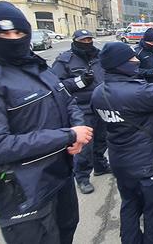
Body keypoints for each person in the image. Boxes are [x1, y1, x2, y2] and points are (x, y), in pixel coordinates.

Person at [0, 1, 92, 243]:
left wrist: (78, 135)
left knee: (66, 230)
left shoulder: (35, 65)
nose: (13, 39)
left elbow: (66, 100)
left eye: (19, 32)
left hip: (59, 174)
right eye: (3, 34)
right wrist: (67, 136)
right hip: (22, 187)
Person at [91, 41, 153, 244]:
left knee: (130, 204)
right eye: (132, 58)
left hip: (119, 160)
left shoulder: (99, 92)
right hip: (145, 165)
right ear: (120, 64)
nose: (137, 60)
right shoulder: (138, 93)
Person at [52, 29, 111, 194]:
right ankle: (83, 177)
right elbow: (56, 85)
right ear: (75, 41)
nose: (87, 43)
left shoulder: (100, 56)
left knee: (102, 139)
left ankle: (100, 165)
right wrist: (78, 82)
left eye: (89, 40)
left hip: (102, 104)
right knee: (85, 145)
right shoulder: (65, 60)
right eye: (83, 40)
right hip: (81, 108)